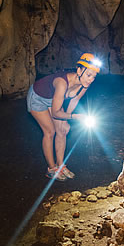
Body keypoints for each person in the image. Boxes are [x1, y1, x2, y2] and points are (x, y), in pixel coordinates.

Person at [27, 53, 101, 181]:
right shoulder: (62, 83)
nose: (90, 80)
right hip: (37, 98)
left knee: (63, 130)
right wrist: (75, 117)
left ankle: (60, 165)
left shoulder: (84, 85)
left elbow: (74, 100)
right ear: (79, 70)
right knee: (50, 131)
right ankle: (51, 169)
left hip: (53, 99)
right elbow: (56, 113)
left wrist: (66, 120)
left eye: (94, 77)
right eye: (88, 75)